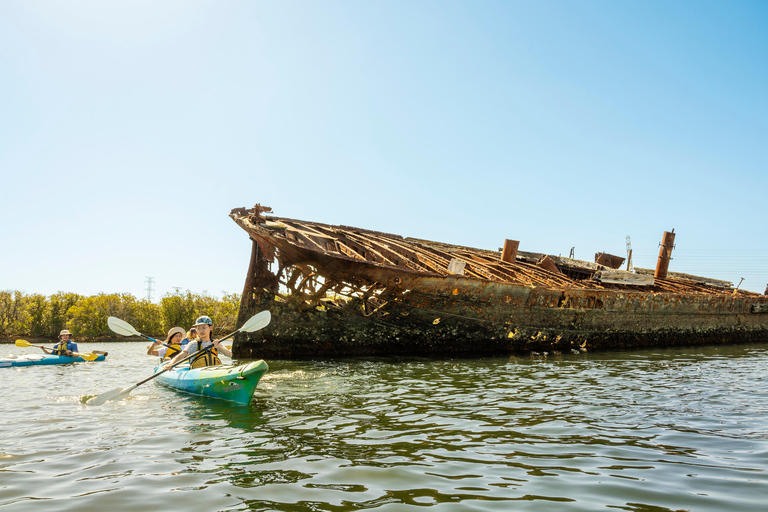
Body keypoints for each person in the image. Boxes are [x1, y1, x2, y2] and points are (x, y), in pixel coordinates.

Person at [164, 315, 232, 370]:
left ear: (210, 327)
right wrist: (171, 364)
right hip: (197, 374)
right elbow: (181, 356)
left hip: (213, 372)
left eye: (204, 327)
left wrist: (219, 347)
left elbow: (230, 355)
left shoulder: (216, 344)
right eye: (198, 328)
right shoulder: (194, 344)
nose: (201, 330)